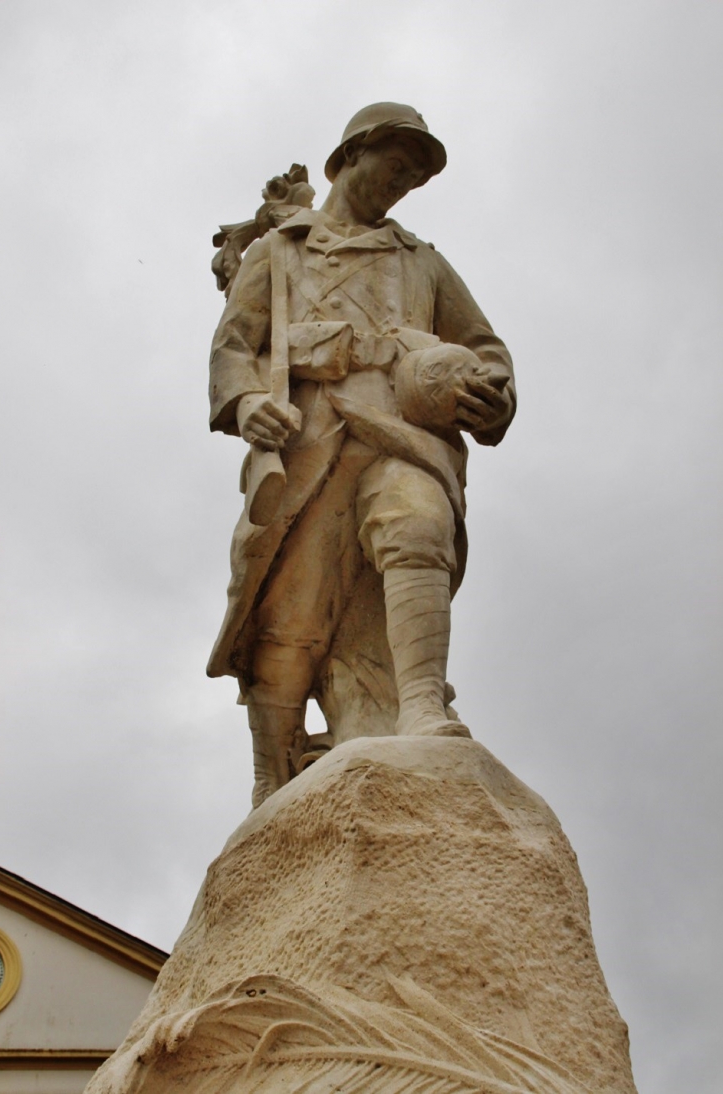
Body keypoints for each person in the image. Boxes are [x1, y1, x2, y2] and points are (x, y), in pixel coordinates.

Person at [207, 103, 516, 807]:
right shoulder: (280, 251)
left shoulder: (424, 263)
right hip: (308, 442)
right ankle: (271, 781)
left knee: (417, 528)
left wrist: (495, 395)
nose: (402, 183)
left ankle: (420, 707)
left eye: (414, 176)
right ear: (349, 157)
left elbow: (486, 351)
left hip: (402, 431)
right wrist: (250, 403)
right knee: (290, 620)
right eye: (395, 165)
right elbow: (233, 347)